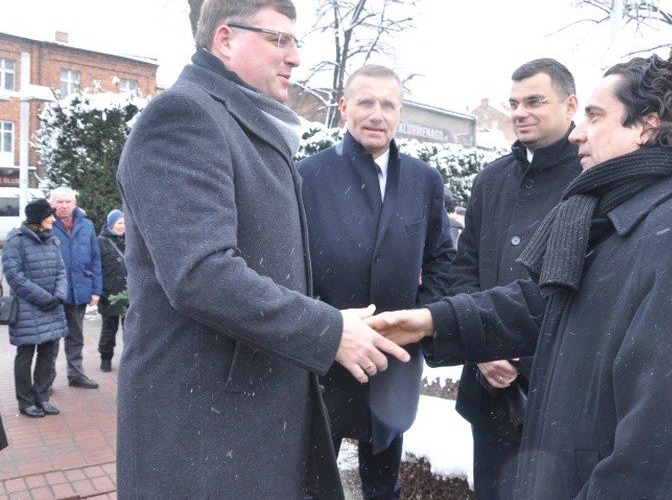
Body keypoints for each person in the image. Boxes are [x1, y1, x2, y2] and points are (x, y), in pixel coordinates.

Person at [368, 50, 672, 499]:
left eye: (595, 117)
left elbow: (663, 458)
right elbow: (547, 305)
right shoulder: (622, 218)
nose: (579, 132)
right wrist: (434, 321)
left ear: (647, 126)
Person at [115, 1, 409, 498]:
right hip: (205, 430)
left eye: (295, 41)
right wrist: (328, 330)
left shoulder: (242, 122)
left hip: (241, 418)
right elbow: (201, 274)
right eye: (278, 40)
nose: (295, 56)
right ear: (225, 39)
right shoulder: (184, 116)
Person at [297, 64, 455, 499]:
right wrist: (321, 326)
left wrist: (419, 319)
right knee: (312, 483)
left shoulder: (424, 181)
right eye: (366, 102)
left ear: (400, 113)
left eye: (388, 105)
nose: (376, 114)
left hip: (393, 357)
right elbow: (289, 265)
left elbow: (442, 257)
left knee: (384, 485)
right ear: (344, 107)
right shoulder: (307, 176)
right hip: (325, 355)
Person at [444, 58, 581, 499]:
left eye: (534, 101)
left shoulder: (592, 178)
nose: (520, 112)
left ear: (570, 105)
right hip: (492, 395)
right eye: (514, 103)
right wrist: (481, 345)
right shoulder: (491, 180)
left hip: (563, 396)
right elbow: (464, 269)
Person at [3, 199, 68, 418]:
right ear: (38, 219)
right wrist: (44, 298)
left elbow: (61, 270)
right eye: (49, 216)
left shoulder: (52, 239)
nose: (53, 219)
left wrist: (59, 295)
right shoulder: (16, 241)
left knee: (48, 356)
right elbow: (14, 277)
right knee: (25, 356)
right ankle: (25, 402)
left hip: (52, 306)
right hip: (27, 309)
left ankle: (43, 398)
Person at [49, 186, 102, 390]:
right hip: (54, 292)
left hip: (79, 289)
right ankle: (46, 380)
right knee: (51, 339)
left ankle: (76, 375)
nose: (64, 206)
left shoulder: (86, 225)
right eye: (60, 202)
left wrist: (96, 290)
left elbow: (95, 258)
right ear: (52, 204)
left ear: (74, 203)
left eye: (68, 201)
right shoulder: (46, 224)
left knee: (76, 336)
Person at [97, 209, 127, 372]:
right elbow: (96, 267)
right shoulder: (101, 242)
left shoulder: (131, 240)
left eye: (124, 223)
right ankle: (106, 357)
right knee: (109, 328)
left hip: (128, 292)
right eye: (119, 223)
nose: (122, 226)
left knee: (130, 329)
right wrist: (100, 289)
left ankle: (129, 358)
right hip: (109, 292)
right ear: (111, 224)